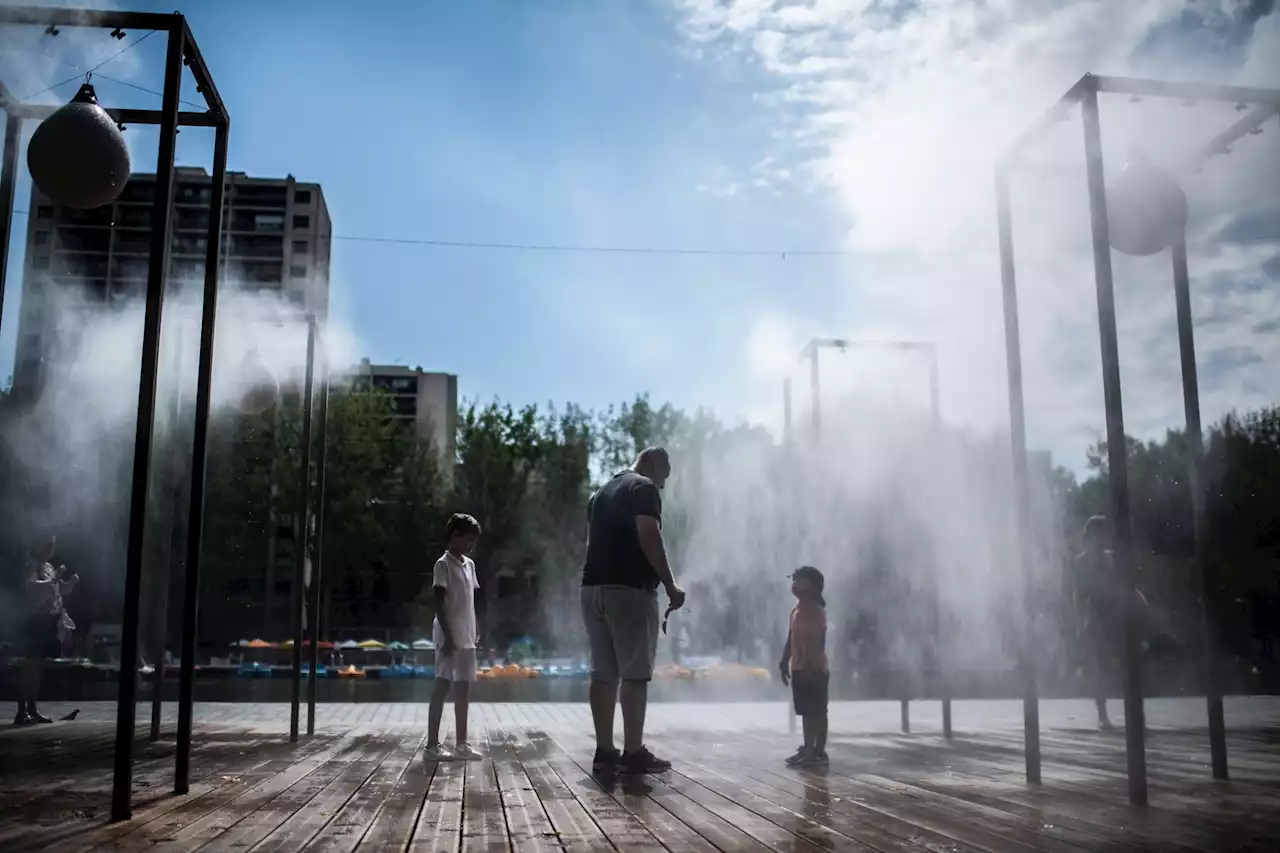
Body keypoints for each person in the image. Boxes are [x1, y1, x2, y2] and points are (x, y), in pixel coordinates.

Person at [581, 447, 686, 775]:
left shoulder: (601, 492)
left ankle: (604, 750)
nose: (664, 484)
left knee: (603, 674)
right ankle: (633, 751)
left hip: (592, 589)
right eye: (664, 475)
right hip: (628, 590)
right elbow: (649, 535)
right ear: (653, 463)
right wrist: (670, 584)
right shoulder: (643, 488)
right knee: (635, 674)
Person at [423, 514, 483, 761]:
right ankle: (431, 746)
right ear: (455, 536)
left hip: (467, 634)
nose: (470, 545)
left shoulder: (469, 565)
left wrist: (476, 628)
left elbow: (470, 600)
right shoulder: (443, 564)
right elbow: (438, 601)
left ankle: (461, 744)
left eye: (473, 541)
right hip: (448, 634)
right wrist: (447, 636)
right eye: (468, 539)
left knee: (463, 688)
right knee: (442, 685)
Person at [17, 534, 77, 726]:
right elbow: (30, 586)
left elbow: (58, 591)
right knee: (29, 667)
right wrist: (54, 581)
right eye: (48, 545)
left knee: (37, 668)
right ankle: (21, 711)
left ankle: (32, 709)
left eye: (53, 545)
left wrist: (69, 584)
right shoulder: (31, 565)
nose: (51, 549)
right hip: (34, 621)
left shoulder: (49, 567)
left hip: (47, 621)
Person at [779, 565, 829, 767]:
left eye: (799, 581)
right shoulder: (797, 610)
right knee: (806, 711)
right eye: (793, 581)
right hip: (799, 667)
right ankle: (809, 747)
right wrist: (784, 661)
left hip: (815, 669)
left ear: (814, 586)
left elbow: (819, 641)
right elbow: (791, 638)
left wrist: (811, 666)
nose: (794, 585)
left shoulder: (816, 611)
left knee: (817, 711)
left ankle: (818, 751)